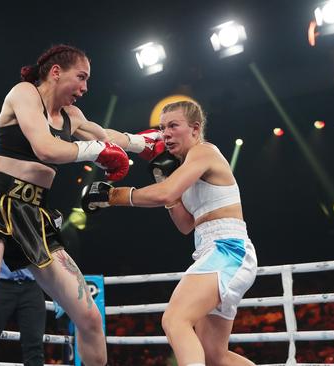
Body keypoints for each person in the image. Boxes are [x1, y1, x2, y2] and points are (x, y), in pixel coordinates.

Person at [0, 44, 153, 366]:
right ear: (56, 71)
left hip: (36, 217)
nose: (85, 88)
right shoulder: (24, 94)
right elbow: (46, 148)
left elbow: (108, 137)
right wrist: (94, 151)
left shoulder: (72, 117)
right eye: (81, 77)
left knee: (89, 318)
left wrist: (150, 142)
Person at [82, 100, 258, 366]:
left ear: (195, 129)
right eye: (162, 127)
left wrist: (112, 195)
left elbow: (165, 193)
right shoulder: (185, 166)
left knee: (175, 319)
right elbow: (186, 224)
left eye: (174, 126)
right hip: (213, 250)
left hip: (228, 249)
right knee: (214, 356)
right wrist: (76, 127)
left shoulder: (204, 152)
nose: (166, 133)